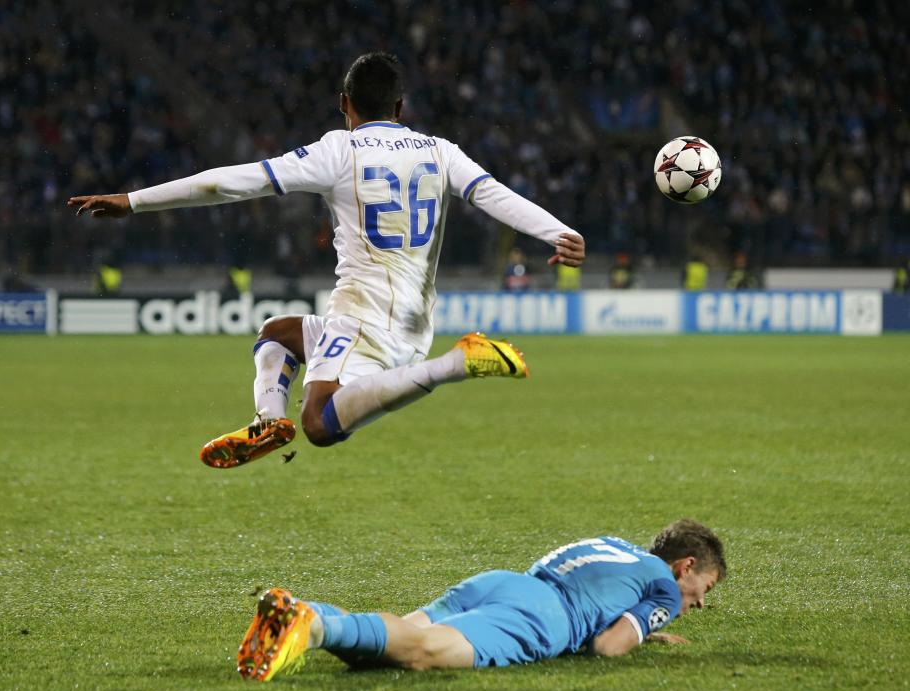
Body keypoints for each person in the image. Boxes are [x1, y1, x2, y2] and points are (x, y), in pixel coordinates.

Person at [68, 52, 585, 466]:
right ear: (401, 108)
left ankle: (455, 364)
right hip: (410, 316)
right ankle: (268, 421)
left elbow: (229, 182)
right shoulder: (440, 150)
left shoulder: (338, 150)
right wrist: (558, 232)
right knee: (278, 331)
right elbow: (494, 195)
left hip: (362, 317)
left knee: (318, 424)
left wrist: (134, 200)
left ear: (344, 103)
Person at [236, 518, 726, 681]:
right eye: (703, 588)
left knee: (389, 649)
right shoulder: (662, 586)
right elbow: (608, 647)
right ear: (684, 566)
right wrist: (640, 631)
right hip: (542, 617)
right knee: (421, 653)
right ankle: (312, 626)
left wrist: (648, 630)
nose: (699, 603)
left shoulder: (615, 545)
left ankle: (308, 611)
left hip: (501, 583)